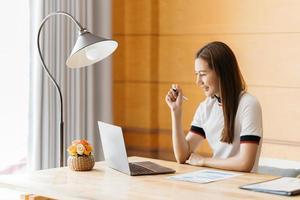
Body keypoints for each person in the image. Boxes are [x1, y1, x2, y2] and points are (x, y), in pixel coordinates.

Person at [165, 41, 263, 172]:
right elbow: (182, 156)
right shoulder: (206, 107)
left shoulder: (249, 104)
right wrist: (176, 112)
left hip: (240, 185)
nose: (198, 82)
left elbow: (245, 163)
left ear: (222, 72)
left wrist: (203, 161)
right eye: (197, 74)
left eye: (203, 74)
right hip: (215, 182)